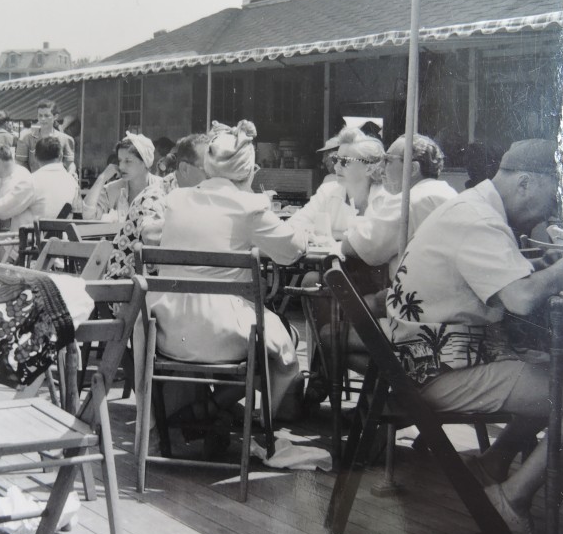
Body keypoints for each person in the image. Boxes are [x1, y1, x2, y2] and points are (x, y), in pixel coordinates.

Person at [384, 139, 563, 534]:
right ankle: (512, 498)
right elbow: (521, 300)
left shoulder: (472, 207)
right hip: (437, 373)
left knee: (560, 377)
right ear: (526, 183)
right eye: (552, 194)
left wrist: (537, 268)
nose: (550, 210)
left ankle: (493, 462)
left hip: (421, 362)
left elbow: (499, 280)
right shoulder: (479, 220)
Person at [148, 120, 309, 455]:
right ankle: (234, 418)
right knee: (282, 354)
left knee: (262, 338)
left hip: (166, 328)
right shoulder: (249, 206)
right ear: (249, 170)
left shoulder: (177, 199)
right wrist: (302, 229)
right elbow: (290, 252)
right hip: (221, 333)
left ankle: (206, 411)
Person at [341, 133, 458, 273]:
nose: (381, 167)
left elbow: (358, 247)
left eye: (388, 160)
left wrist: (349, 234)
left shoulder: (408, 200)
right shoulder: (447, 192)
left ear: (413, 169)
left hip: (417, 290)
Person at [105, 132, 210, 281]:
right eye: (208, 169)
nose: (214, 176)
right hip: (127, 292)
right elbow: (153, 245)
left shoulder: (183, 193)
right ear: (185, 169)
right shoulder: (153, 198)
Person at [289, 128, 386, 243]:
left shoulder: (385, 197)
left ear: (369, 168)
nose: (336, 167)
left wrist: (333, 234)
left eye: (345, 161)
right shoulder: (327, 191)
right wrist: (343, 235)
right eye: (336, 160)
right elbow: (293, 225)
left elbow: (381, 242)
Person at [82, 132, 161, 220]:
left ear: (144, 162)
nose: (121, 167)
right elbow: (88, 216)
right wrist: (102, 178)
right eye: (120, 161)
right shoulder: (113, 189)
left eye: (128, 161)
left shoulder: (162, 187)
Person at [0, 142, 37, 230]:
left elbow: (3, 209)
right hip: (10, 236)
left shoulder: (22, 179)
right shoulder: (2, 178)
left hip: (23, 239)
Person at [16, 99, 76, 173]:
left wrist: (71, 173)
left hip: (57, 181)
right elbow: (21, 163)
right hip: (35, 181)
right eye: (40, 115)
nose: (43, 119)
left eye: (47, 116)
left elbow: (70, 164)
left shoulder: (65, 139)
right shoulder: (27, 138)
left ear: (55, 117)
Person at [30, 136, 81, 218]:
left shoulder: (30, 180)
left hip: (34, 229)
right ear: (61, 156)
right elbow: (77, 213)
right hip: (64, 229)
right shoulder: (72, 182)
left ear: (35, 157)